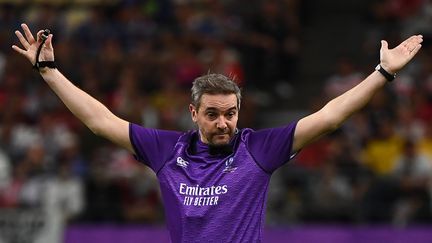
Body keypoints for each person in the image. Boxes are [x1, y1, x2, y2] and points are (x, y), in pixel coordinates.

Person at [12, 23, 423, 243]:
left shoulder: (258, 148)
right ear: (194, 113)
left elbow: (329, 117)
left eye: (230, 114)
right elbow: (100, 121)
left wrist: (382, 73)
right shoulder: (167, 151)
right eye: (213, 114)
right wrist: (49, 71)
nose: (224, 123)